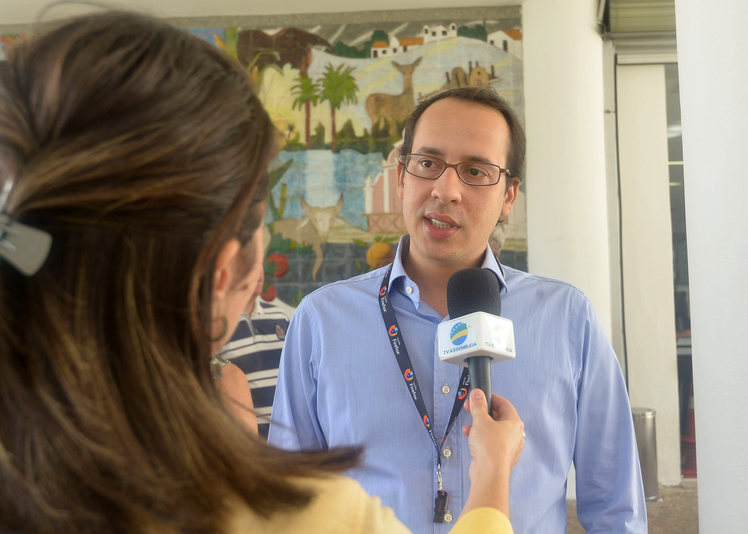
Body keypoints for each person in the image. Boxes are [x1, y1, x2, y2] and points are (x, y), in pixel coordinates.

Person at [0, 11, 526, 534]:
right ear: (222, 276)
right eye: (261, 210)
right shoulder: (307, 516)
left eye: (475, 171)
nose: (447, 190)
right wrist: (493, 473)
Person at [270, 86, 648, 533]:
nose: (446, 190)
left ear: (509, 196)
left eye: (475, 171)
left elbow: (616, 512)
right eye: (428, 164)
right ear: (401, 177)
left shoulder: (567, 319)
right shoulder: (321, 321)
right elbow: (288, 503)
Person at [216, 270, 291, 437]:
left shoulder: (279, 316)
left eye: (261, 267)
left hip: (287, 437)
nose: (259, 274)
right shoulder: (217, 324)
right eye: (253, 266)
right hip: (245, 439)